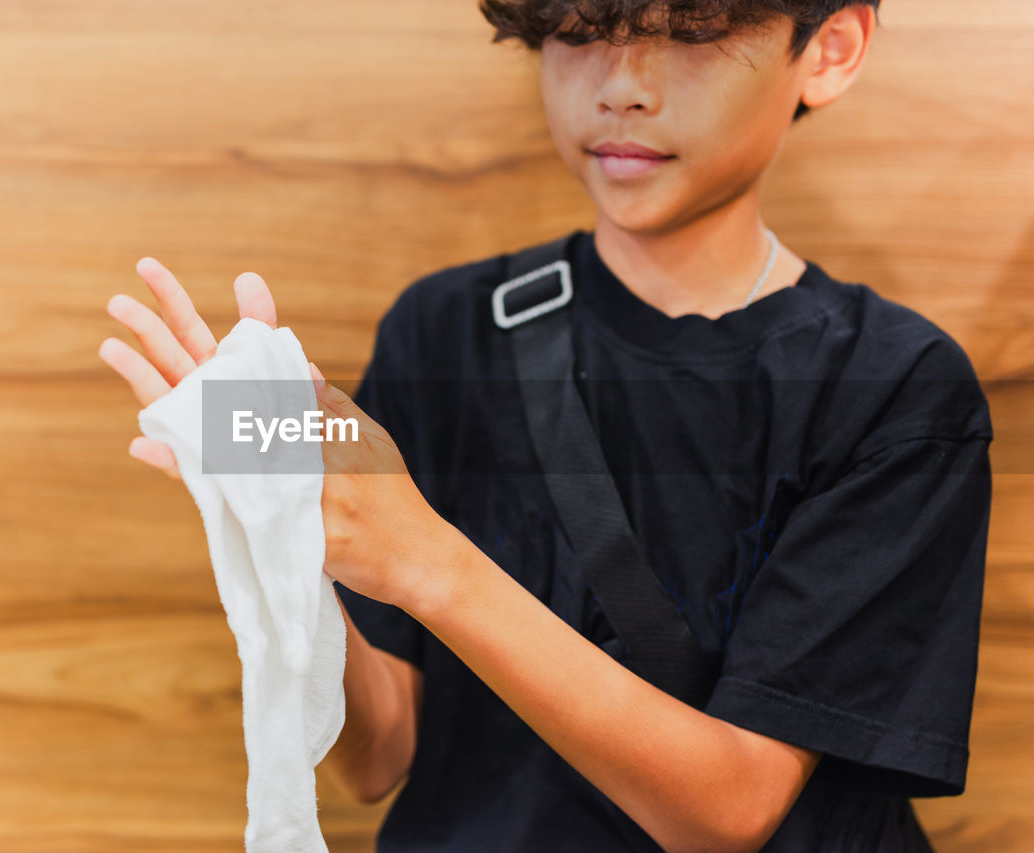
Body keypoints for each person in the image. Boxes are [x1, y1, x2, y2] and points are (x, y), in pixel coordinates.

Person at [100, 1, 994, 850]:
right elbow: (377, 756)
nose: (620, 86)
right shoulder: (443, 328)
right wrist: (273, 542)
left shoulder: (891, 385)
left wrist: (421, 556)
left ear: (830, 48)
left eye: (688, 32)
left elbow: (731, 811)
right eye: (577, 30)